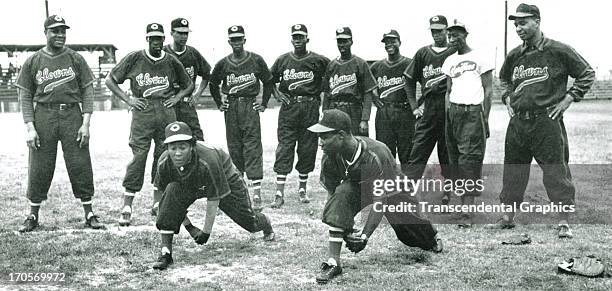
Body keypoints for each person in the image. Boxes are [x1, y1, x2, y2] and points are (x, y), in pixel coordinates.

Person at [491, 3, 595, 238]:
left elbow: (586, 73)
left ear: (537, 21)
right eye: (516, 24)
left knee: (555, 170)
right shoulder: (515, 54)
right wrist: (507, 97)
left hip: (545, 120)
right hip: (518, 122)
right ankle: (508, 217)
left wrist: (569, 98)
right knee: (513, 170)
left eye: (524, 22)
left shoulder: (558, 50)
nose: (519, 28)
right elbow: (504, 79)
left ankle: (563, 220)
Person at [308, 109, 443, 284]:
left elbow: (380, 201)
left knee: (409, 233)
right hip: (357, 184)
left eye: (324, 136)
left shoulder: (376, 153)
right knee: (341, 195)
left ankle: (432, 237)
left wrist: (364, 236)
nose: (320, 142)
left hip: (392, 188)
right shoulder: (330, 156)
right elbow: (332, 194)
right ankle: (334, 262)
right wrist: (346, 229)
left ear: (340, 135)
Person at [15, 15, 102, 232]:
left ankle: (89, 212)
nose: (60, 35)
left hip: (72, 113)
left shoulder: (75, 58)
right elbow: (25, 94)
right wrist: (30, 126)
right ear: (45, 33)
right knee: (40, 164)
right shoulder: (34, 60)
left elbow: (88, 90)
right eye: (55, 31)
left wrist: (86, 122)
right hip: (44, 114)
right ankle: (33, 214)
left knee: (80, 161)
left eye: (63, 31)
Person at [152, 121, 275, 270]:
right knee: (170, 192)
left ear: (192, 146)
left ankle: (265, 221)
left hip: (226, 179)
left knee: (251, 224)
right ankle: (166, 253)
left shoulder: (208, 158)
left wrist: (206, 232)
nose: (177, 153)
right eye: (173, 148)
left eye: (182, 147)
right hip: (191, 183)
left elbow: (214, 197)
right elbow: (166, 201)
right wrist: (189, 227)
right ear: (167, 148)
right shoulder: (164, 162)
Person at [105, 23, 194, 226]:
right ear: (147, 39)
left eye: (160, 38)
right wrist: (129, 100)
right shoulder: (135, 58)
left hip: (165, 110)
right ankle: (127, 203)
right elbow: (110, 80)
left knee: (164, 156)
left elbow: (189, 84)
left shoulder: (171, 60)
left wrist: (177, 97)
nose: (157, 42)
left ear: (164, 39)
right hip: (143, 110)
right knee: (139, 155)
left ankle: (157, 202)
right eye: (153, 38)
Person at [209, 25, 274, 211]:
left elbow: (268, 81)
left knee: (252, 146)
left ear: (244, 40)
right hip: (232, 106)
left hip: (249, 105)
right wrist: (219, 103)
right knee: (235, 147)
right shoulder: (223, 63)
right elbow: (213, 83)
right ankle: (240, 190)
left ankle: (256, 193)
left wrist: (263, 103)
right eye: (233, 39)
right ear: (229, 41)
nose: (236, 42)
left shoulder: (255, 60)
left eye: (239, 39)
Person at [152, 18, 211, 215]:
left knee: (197, 141)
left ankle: (199, 186)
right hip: (169, 105)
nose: (183, 36)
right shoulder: (164, 52)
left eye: (186, 33)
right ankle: (159, 196)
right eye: (179, 32)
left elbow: (207, 74)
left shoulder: (192, 53)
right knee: (164, 146)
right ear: (172, 33)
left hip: (186, 105)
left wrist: (198, 94)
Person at [268, 24, 330, 208]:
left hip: (310, 105)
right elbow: (269, 78)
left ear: (307, 39)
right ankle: (279, 192)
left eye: (301, 36)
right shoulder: (283, 60)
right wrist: (277, 94)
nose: (298, 39)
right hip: (290, 107)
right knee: (285, 146)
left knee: (307, 147)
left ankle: (302, 189)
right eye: (295, 36)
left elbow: (333, 73)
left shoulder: (318, 60)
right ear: (291, 39)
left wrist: (323, 95)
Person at [441, 20, 493, 227]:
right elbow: (448, 90)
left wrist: (485, 117)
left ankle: (467, 213)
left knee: (469, 160)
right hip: (454, 111)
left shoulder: (480, 56)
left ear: (465, 34)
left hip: (472, 111)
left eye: (456, 34)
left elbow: (488, 90)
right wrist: (448, 114)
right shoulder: (449, 61)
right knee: (454, 158)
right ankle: (463, 206)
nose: (453, 38)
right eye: (450, 35)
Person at [403, 15, 456, 204]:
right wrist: (414, 106)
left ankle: (448, 193)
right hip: (429, 106)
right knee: (418, 151)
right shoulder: (422, 53)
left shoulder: (455, 51)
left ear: (447, 31)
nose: (436, 34)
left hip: (449, 105)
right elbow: (408, 79)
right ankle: (407, 194)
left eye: (440, 30)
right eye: (433, 30)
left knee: (447, 153)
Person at [370, 30, 415, 174]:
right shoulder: (377, 66)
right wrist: (373, 93)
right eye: (387, 42)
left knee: (406, 153)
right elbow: (366, 84)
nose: (390, 44)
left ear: (399, 42)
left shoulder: (409, 63)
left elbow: (425, 83)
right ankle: (390, 189)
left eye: (393, 41)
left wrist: (418, 104)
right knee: (385, 152)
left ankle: (408, 189)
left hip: (404, 111)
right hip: (384, 112)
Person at [322, 27, 377, 137]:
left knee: (357, 142)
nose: (342, 45)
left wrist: (365, 119)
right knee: (334, 142)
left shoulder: (360, 63)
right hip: (335, 108)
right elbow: (327, 94)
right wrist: (324, 116)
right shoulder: (332, 65)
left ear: (351, 41)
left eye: (345, 41)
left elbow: (367, 93)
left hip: (354, 109)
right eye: (339, 41)